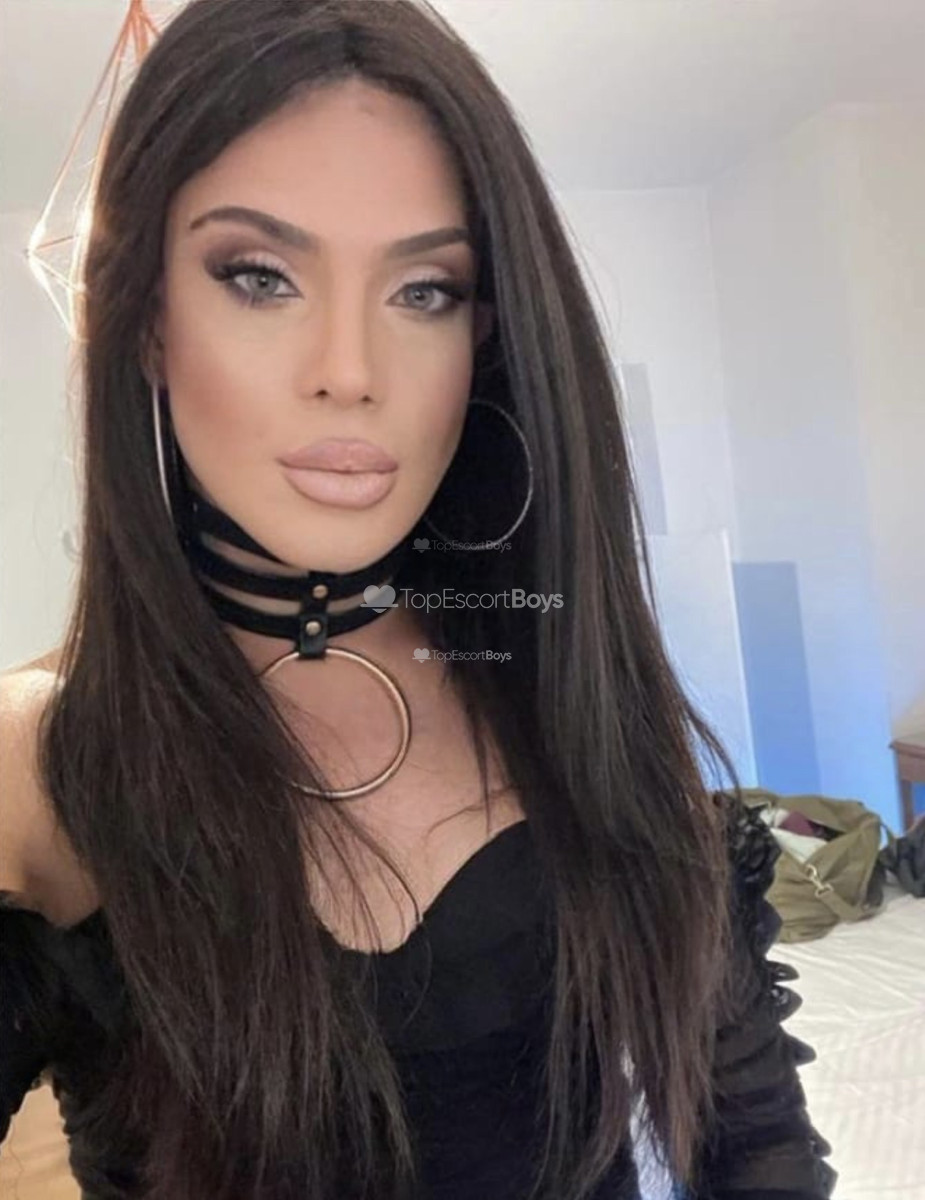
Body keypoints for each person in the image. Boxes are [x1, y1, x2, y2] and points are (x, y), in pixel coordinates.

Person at [0, 2, 838, 1198]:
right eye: (259, 277)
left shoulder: (569, 691)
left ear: (483, 338)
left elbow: (758, 1153)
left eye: (425, 291)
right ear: (143, 321)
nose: (350, 370)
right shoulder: (40, 765)